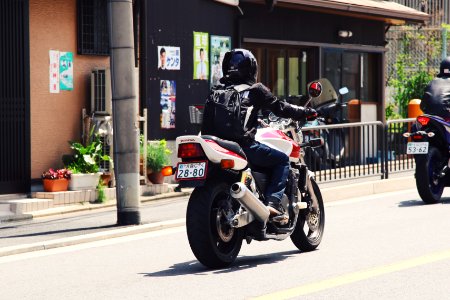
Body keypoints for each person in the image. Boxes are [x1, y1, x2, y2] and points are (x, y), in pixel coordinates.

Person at [219, 48, 317, 220]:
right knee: (281, 160)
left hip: (218, 146)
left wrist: (255, 122)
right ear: (251, 69)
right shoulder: (255, 90)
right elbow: (280, 107)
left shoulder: (217, 91)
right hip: (243, 146)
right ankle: (273, 203)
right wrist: (304, 111)